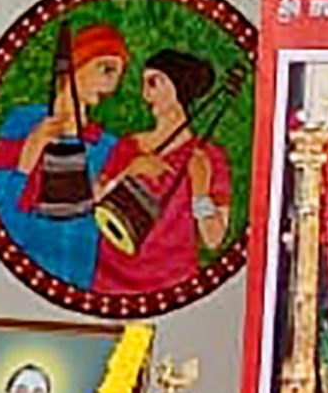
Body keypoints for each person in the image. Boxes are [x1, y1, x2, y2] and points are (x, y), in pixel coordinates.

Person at [0, 20, 127, 286]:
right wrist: (29, 156)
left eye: (118, 75)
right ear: (75, 65)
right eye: (106, 69)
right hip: (19, 269)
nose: (113, 86)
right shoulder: (23, 122)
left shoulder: (105, 145)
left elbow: (111, 230)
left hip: (79, 274)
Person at [93, 50, 232, 294]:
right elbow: (94, 200)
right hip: (112, 276)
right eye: (144, 83)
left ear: (179, 87)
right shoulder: (130, 145)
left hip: (173, 279)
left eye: (154, 82)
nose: (145, 94)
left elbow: (213, 240)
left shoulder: (208, 157)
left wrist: (200, 191)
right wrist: (130, 170)